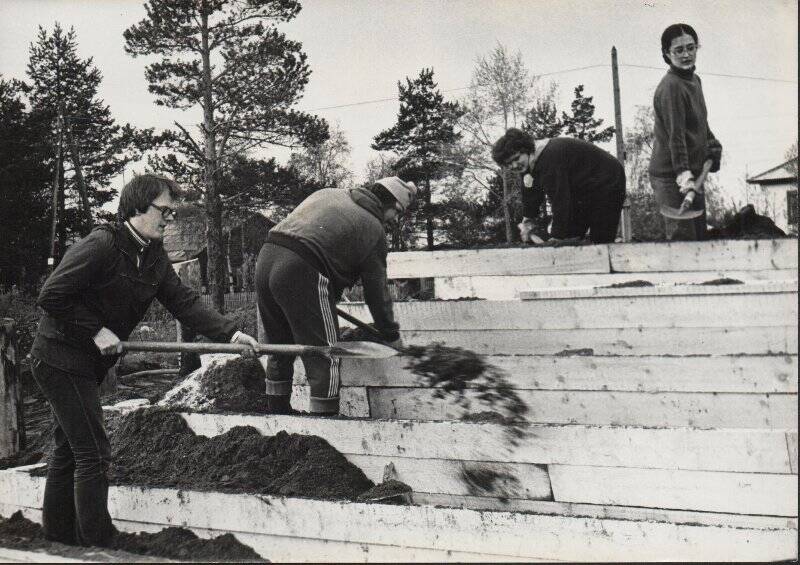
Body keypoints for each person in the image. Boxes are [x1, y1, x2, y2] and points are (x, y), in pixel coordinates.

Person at [30, 174, 258, 546]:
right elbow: (51, 295)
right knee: (94, 452)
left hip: (84, 363)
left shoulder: (152, 256)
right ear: (137, 207)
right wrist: (96, 329)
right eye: (163, 211)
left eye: (172, 212)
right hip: (59, 357)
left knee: (70, 448)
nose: (169, 219)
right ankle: (99, 543)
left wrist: (230, 333)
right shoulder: (102, 244)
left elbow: (181, 301)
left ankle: (58, 537)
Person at [255, 177, 415, 416]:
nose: (394, 220)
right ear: (390, 205)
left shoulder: (329, 193)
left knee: (279, 347)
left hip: (265, 259)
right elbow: (376, 292)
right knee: (324, 353)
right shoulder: (373, 228)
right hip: (302, 268)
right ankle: (325, 427)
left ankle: (278, 417)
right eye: (397, 213)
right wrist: (391, 335)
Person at [649, 23, 723, 240]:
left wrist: (712, 143)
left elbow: (700, 123)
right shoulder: (672, 86)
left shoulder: (694, 80)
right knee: (684, 244)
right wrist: (683, 175)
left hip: (694, 172)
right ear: (666, 54)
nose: (686, 55)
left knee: (700, 238)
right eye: (679, 50)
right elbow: (676, 136)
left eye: (691, 48)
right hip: (672, 177)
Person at [491, 128, 626, 244]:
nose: (514, 166)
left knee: (600, 237)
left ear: (526, 149)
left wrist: (556, 236)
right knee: (571, 235)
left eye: (516, 158)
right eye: (508, 164)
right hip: (582, 189)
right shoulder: (528, 165)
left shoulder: (549, 157)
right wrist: (527, 221)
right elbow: (531, 194)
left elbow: (560, 199)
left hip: (607, 180)